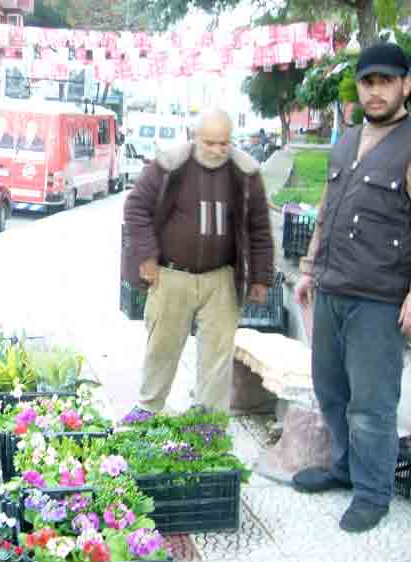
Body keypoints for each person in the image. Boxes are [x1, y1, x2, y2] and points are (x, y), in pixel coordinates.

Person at [293, 43, 411, 533]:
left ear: (406, 84)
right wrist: (306, 269)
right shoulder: (344, 142)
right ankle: (344, 468)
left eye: (386, 81)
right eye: (368, 81)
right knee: (332, 390)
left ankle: (372, 492)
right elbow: (325, 212)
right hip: (333, 288)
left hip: (380, 298)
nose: (376, 90)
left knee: (372, 402)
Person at [123, 108, 274, 414]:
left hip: (221, 278)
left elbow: (259, 226)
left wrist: (260, 277)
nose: (218, 150)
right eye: (210, 143)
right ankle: (147, 409)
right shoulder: (170, 166)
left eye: (224, 143)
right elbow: (136, 207)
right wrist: (147, 256)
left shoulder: (245, 172)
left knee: (218, 357)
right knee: (162, 348)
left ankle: (208, 426)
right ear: (195, 138)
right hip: (172, 275)